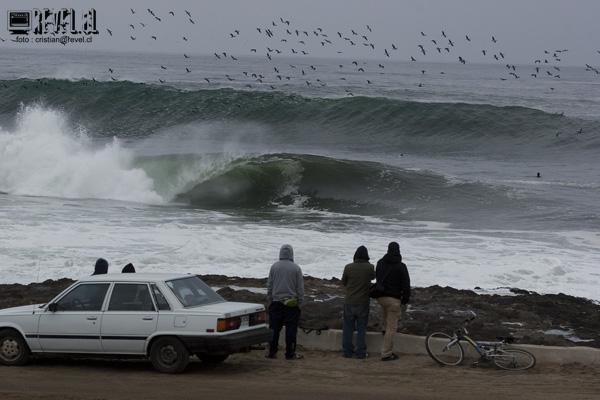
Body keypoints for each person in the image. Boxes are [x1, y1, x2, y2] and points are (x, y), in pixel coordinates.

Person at [266, 244, 305, 360]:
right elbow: (300, 288)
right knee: (291, 330)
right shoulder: (296, 268)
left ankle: (272, 352)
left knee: (274, 329)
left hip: (276, 303)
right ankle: (290, 353)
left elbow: (269, 286)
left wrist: (270, 300)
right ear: (291, 254)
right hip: (291, 304)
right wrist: (300, 302)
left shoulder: (274, 267)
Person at [374, 242, 410, 361]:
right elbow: (406, 285)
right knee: (392, 327)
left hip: (381, 298)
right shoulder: (401, 266)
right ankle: (386, 353)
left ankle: (383, 332)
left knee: (385, 320)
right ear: (398, 250)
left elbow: (378, 278)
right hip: (393, 300)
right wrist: (405, 300)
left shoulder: (380, 263)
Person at [341, 245, 375, 359]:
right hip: (363, 302)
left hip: (349, 301)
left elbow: (344, 282)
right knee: (361, 328)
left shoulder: (348, 267)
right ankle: (360, 352)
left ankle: (347, 351)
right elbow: (373, 278)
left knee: (347, 328)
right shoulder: (370, 267)